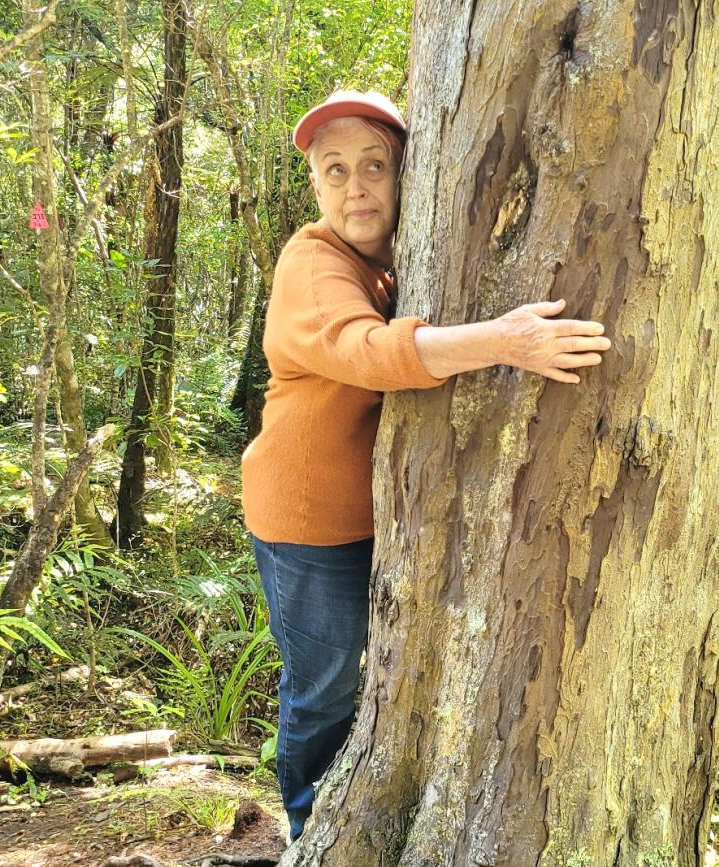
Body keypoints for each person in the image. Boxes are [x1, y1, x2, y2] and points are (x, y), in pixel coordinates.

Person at [239, 90, 611, 841]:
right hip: (306, 520)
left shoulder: (401, 261)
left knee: (385, 674)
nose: (356, 186)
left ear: (407, 171)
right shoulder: (312, 262)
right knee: (325, 686)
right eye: (335, 170)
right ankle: (310, 831)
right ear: (315, 185)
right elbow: (367, 354)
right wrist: (507, 341)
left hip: (382, 511)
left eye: (374, 165)